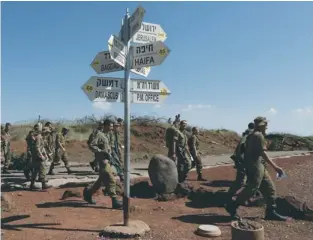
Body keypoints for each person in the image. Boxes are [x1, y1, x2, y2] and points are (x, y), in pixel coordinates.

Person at [225, 117, 290, 221]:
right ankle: (233, 205)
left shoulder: (253, 135)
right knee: (251, 189)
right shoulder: (258, 136)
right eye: (265, 124)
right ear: (261, 125)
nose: (267, 126)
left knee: (270, 188)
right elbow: (262, 153)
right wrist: (276, 167)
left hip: (258, 166)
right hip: (255, 167)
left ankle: (271, 212)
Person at [83, 119, 122, 209]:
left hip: (108, 160)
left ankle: (88, 193)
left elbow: (109, 147)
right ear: (106, 126)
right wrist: (101, 151)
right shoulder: (99, 134)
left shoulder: (107, 135)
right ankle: (115, 201)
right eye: (111, 126)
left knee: (101, 181)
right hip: (102, 160)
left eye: (113, 126)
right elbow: (92, 145)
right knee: (111, 178)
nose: (112, 128)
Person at [228, 122, 255, 198]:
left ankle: (249, 194)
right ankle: (229, 194)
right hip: (242, 161)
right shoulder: (249, 136)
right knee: (241, 181)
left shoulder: (247, 135)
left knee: (251, 179)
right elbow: (242, 149)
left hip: (243, 161)